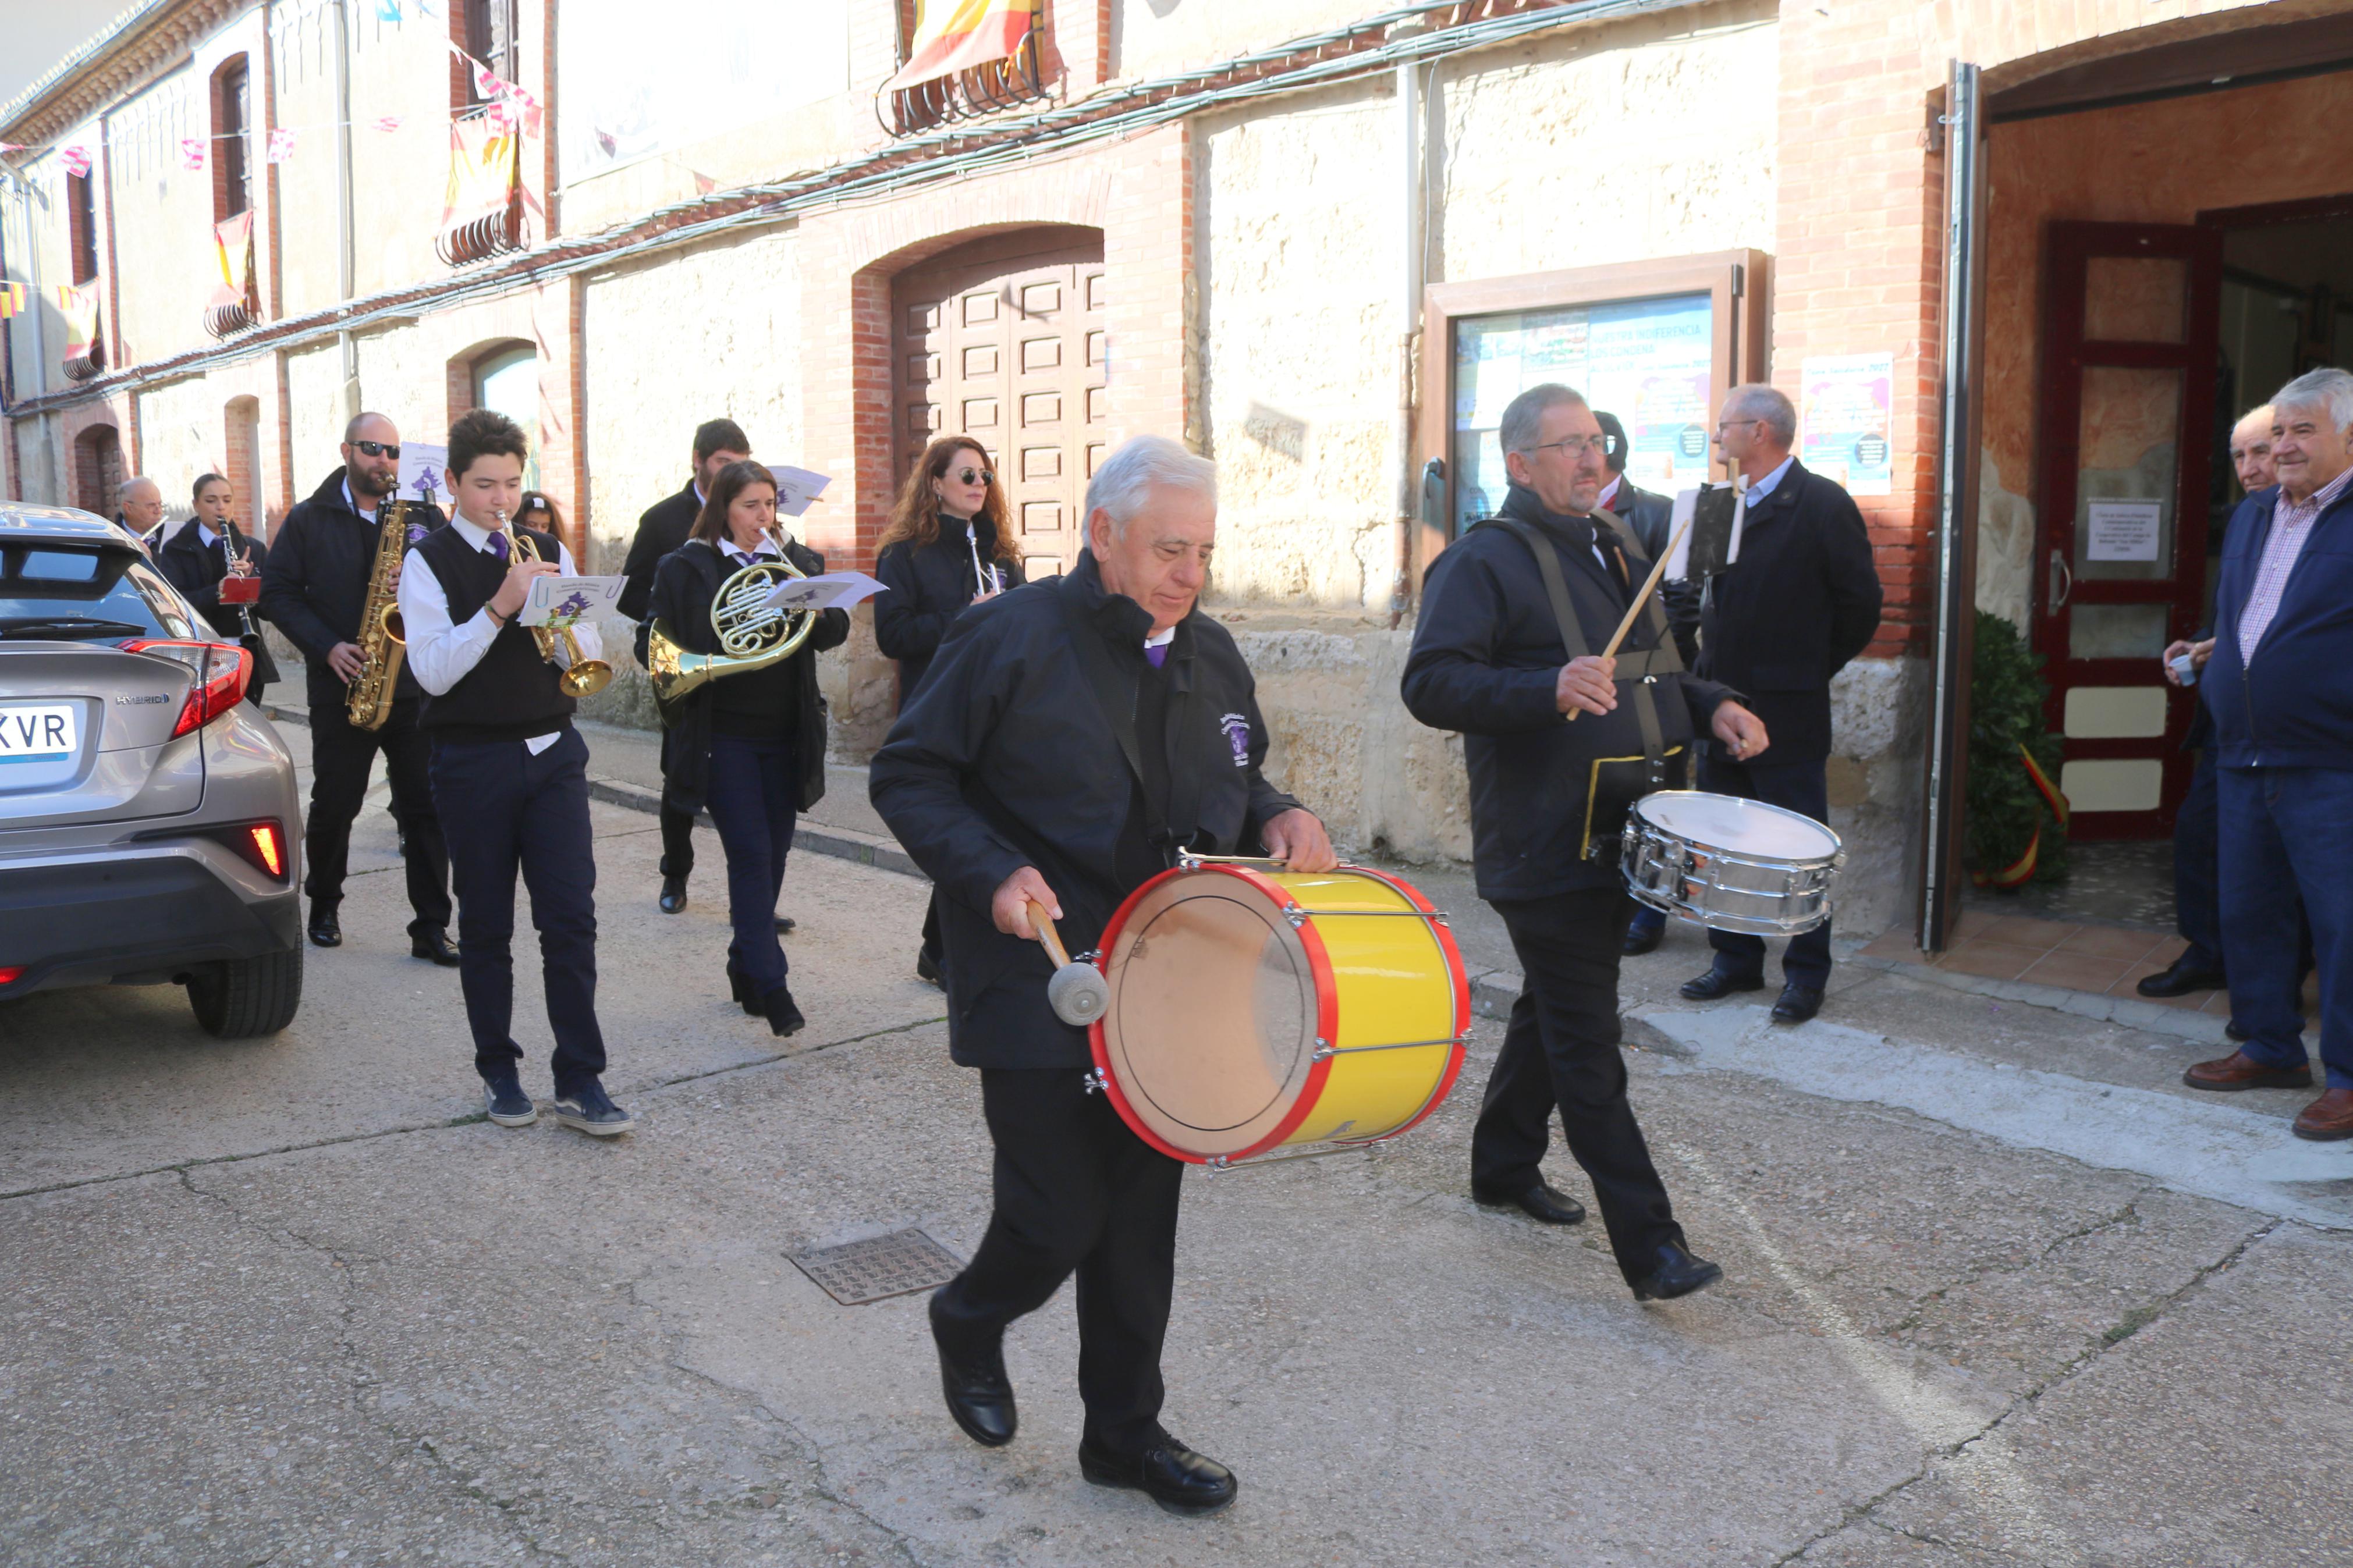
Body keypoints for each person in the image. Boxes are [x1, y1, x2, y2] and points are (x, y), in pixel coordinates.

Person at [870, 435, 1336, 1517]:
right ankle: (972, 1316)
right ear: (1103, 536)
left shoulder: (1212, 652)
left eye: (1204, 551)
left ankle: (1122, 1439)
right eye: (1170, 548)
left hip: (1171, 985)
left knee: (1137, 1224)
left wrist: (1276, 811)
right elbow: (911, 772)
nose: (1191, 572)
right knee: (1056, 1217)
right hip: (1039, 973)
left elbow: (1237, 773)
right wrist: (990, 871)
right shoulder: (1006, 637)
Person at [1401, 382, 1758, 1300]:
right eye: (1566, 445)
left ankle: (1501, 1163)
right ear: (1517, 463)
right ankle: (1652, 1246)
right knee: (1587, 1038)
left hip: (1622, 829)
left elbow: (1657, 671)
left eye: (1594, 440)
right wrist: (1544, 689)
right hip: (1542, 840)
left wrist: (1713, 705)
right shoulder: (1481, 562)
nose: (1590, 457)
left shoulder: (1617, 540)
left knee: (1555, 1006)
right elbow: (1432, 684)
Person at [398, 407, 632, 1137]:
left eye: (510, 484)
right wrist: (501, 608)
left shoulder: (545, 548)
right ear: (455, 487)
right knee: (490, 925)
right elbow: (433, 673)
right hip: (472, 761)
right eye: (483, 486)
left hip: (553, 752)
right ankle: (499, 1070)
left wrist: (569, 627)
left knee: (571, 918)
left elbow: (581, 646)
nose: (501, 500)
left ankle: (581, 1079)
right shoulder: (427, 560)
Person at [1676, 383, 1882, 1024]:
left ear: (1759, 431)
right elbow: (1692, 594)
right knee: (1722, 843)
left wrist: (1806, 670)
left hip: (1786, 711)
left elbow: (1860, 604)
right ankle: (1733, 961)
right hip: (1718, 703)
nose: (1716, 437)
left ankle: (1805, 975)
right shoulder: (1717, 505)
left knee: (1796, 848)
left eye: (1724, 425)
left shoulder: (1820, 503)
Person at [2185, 368, 2353, 1143]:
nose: (2280, 447)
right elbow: (2246, 614)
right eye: (2276, 431)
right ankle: (2268, 1044)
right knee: (2246, 907)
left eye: (2301, 430)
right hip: (2242, 747)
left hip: (2332, 758)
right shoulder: (2252, 515)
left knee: (2340, 922)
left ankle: (2347, 1079)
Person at [647, 461, 849, 1037]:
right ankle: (772, 982)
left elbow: (833, 633)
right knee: (751, 854)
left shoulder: (796, 563)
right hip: (723, 736)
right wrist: (749, 620)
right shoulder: (686, 567)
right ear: (722, 510)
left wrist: (807, 602)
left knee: (776, 855)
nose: (765, 517)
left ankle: (742, 964)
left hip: (785, 736)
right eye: (751, 506)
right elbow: (655, 641)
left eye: (769, 505)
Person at [258, 413, 457, 963]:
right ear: (347, 449)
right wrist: (327, 646)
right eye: (372, 448)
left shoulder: (423, 515)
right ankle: (323, 904)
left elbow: (454, 583)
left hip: (413, 684)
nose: (384, 461)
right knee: (336, 804)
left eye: (393, 451)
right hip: (344, 682)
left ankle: (431, 926)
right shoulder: (309, 518)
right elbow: (275, 594)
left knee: (426, 808)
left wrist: (420, 582)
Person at [873, 435, 1027, 986]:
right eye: (966, 476)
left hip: (997, 711)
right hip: (936, 710)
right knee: (958, 827)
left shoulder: (999, 552)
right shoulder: (903, 554)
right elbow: (893, 634)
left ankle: (938, 949)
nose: (979, 485)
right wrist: (966, 618)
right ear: (935, 483)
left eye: (985, 476)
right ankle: (938, 950)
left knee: (982, 824)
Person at [2145, 406, 2275, 998]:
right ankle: (2208, 951)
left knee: (2279, 860)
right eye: (2238, 456)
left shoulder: (2325, 525)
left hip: (2291, 727)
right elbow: (2238, 612)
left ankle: (2275, 979)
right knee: (2199, 835)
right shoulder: (2246, 520)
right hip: (2227, 724)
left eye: (2261, 452)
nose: (2248, 468)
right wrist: (2200, 646)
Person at [619, 419, 758, 920]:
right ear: (698, 460)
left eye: (740, 461)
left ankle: (756, 896)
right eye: (724, 462)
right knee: (681, 775)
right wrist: (672, 630)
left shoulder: (754, 516)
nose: (733, 471)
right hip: (686, 666)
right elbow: (631, 591)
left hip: (742, 674)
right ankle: (675, 874)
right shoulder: (662, 519)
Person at [1596, 410, 1703, 959]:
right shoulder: (1561, 515)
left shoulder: (1656, 512)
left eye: (1591, 446)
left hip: (1652, 680)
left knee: (1656, 799)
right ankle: (1613, 901)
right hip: (1596, 688)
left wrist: (1665, 665)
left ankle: (1650, 910)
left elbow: (1681, 595)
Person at [154, 472, 278, 707]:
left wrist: (251, 584)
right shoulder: (177, 549)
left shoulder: (253, 548)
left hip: (246, 653)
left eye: (227, 500)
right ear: (196, 505)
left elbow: (270, 610)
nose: (221, 507)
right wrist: (219, 591)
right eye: (211, 501)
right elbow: (173, 605)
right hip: (200, 654)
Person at [114, 476, 165, 553]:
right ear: (129, 508)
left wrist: (153, 558)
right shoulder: (111, 539)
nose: (158, 511)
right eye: (151, 505)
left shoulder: (170, 534)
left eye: (160, 504)